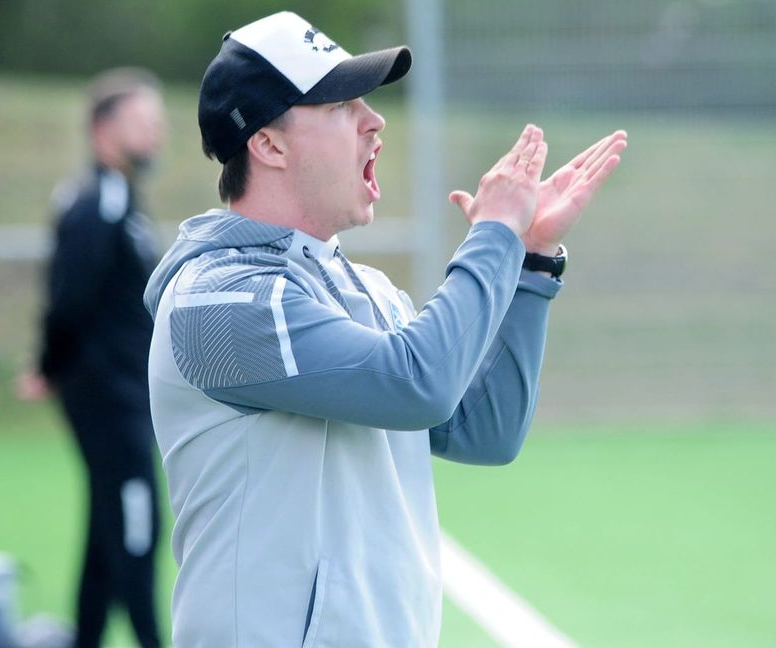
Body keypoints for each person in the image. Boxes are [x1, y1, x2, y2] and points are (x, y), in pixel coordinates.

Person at [143, 11, 627, 646]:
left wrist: (530, 261)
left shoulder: (363, 287)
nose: (375, 122)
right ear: (269, 144)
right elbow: (417, 384)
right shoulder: (217, 300)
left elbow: (483, 431)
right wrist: (494, 235)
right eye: (343, 105)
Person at [20, 68, 167, 648]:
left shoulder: (125, 199)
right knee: (136, 524)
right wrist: (48, 366)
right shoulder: (97, 203)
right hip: (107, 396)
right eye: (143, 122)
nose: (156, 134)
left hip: (126, 392)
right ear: (103, 130)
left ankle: (86, 637)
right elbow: (67, 297)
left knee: (109, 526)